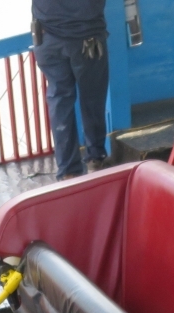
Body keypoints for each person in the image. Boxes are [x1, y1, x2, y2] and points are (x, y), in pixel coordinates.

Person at [32, 0, 110, 180]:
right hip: (88, 37)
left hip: (48, 37)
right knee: (93, 98)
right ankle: (95, 160)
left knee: (59, 100)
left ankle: (69, 171)